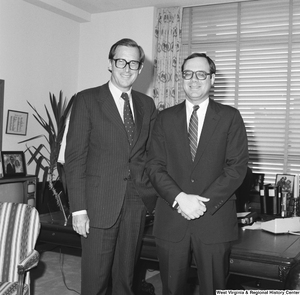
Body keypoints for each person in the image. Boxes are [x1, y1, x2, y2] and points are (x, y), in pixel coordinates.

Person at [146, 52, 249, 295]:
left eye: (201, 74)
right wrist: (180, 198)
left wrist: (201, 203)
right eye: (188, 74)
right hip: (172, 219)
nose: (194, 79)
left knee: (214, 289)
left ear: (212, 79)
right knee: (171, 289)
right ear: (182, 78)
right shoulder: (164, 118)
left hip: (214, 220)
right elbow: (154, 165)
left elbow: (236, 167)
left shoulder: (230, 117)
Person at [64, 38, 157, 295]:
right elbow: (74, 159)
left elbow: (150, 155)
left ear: (140, 68)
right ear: (110, 64)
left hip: (135, 205)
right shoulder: (87, 100)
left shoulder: (147, 105)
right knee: (95, 282)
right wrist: (79, 209)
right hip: (97, 206)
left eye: (133, 63)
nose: (127, 68)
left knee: (125, 281)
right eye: (121, 61)